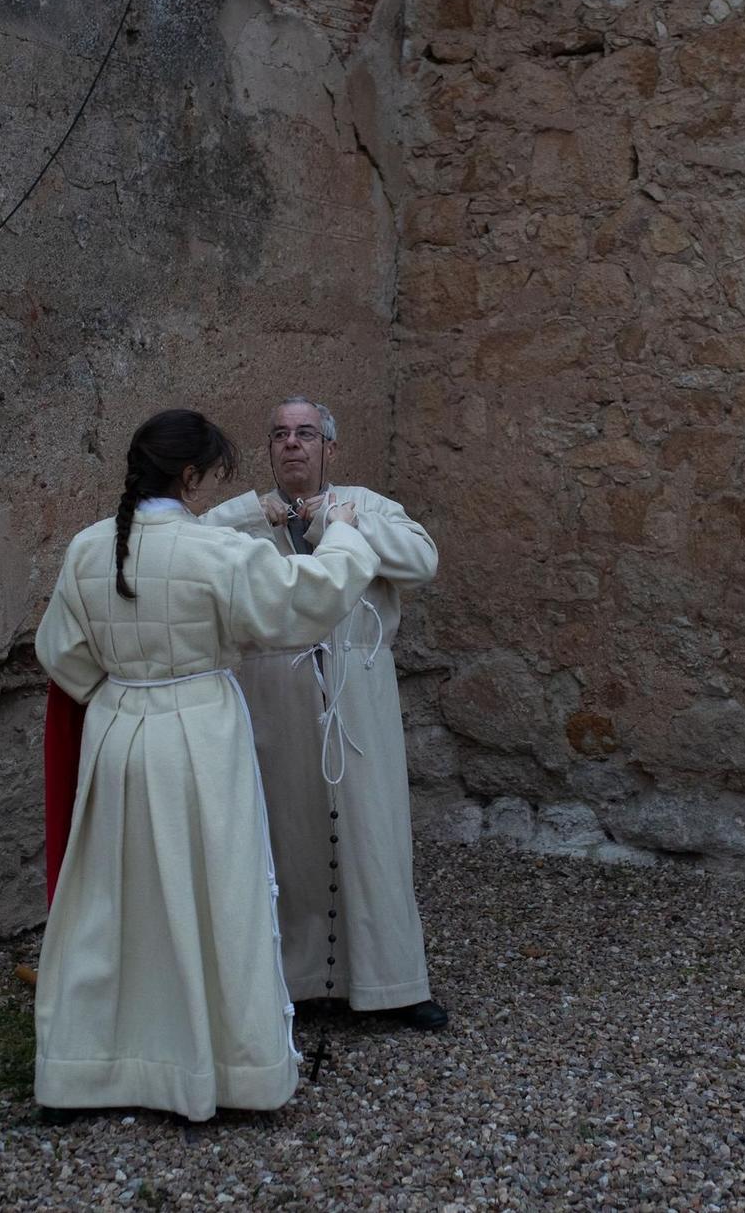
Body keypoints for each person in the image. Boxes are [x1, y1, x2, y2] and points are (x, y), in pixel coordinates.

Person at [32, 408, 380, 1121]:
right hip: (200, 732)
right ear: (189, 476)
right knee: (218, 897)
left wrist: (122, 697)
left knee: (114, 903)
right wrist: (342, 530)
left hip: (118, 733)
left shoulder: (88, 548)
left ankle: (88, 1069)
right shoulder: (214, 552)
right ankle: (231, 1069)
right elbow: (305, 603)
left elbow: (61, 652)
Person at [200, 397, 446, 1030]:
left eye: (305, 433)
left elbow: (422, 561)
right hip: (274, 687)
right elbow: (192, 551)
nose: (292, 444)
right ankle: (298, 980)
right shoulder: (248, 517)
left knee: (374, 833)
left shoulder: (367, 505)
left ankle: (393, 981)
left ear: (328, 447)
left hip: (357, 686)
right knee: (290, 834)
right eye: (280, 434)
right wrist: (249, 512)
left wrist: (344, 523)